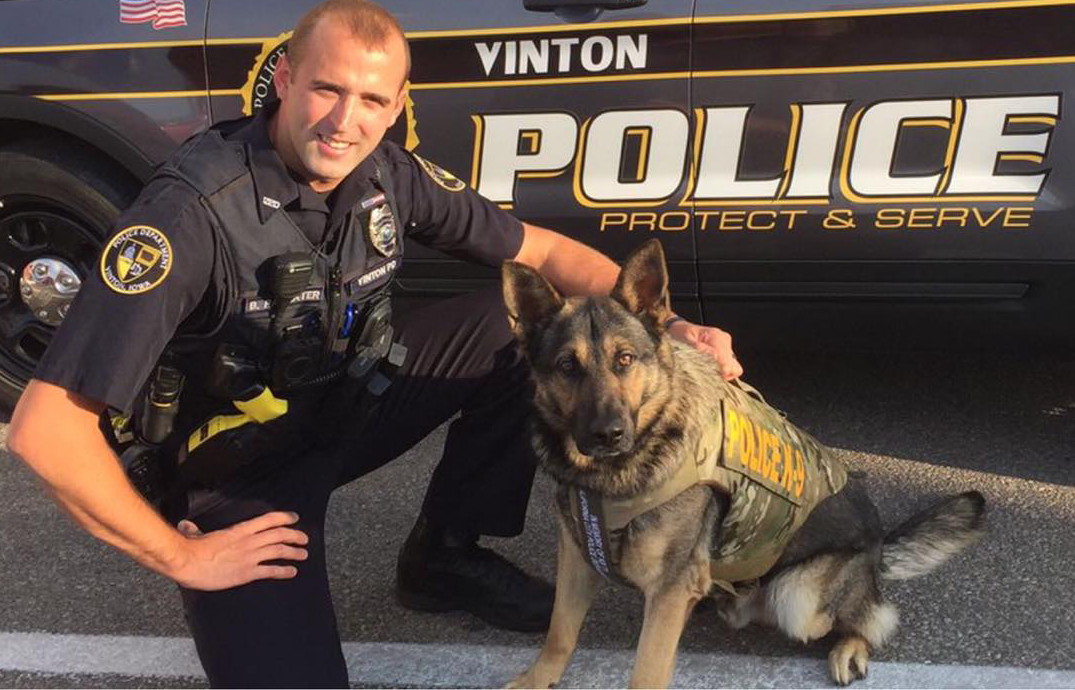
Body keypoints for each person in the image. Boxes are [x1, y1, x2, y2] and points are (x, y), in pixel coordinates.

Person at [7, 0, 742, 686]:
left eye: (369, 100)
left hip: (348, 402)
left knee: (520, 334)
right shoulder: (190, 215)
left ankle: (443, 558)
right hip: (241, 470)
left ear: (394, 108)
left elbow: (543, 252)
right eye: (326, 90)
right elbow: (46, 432)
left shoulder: (385, 171)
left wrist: (676, 330)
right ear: (285, 81)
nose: (343, 121)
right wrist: (181, 554)